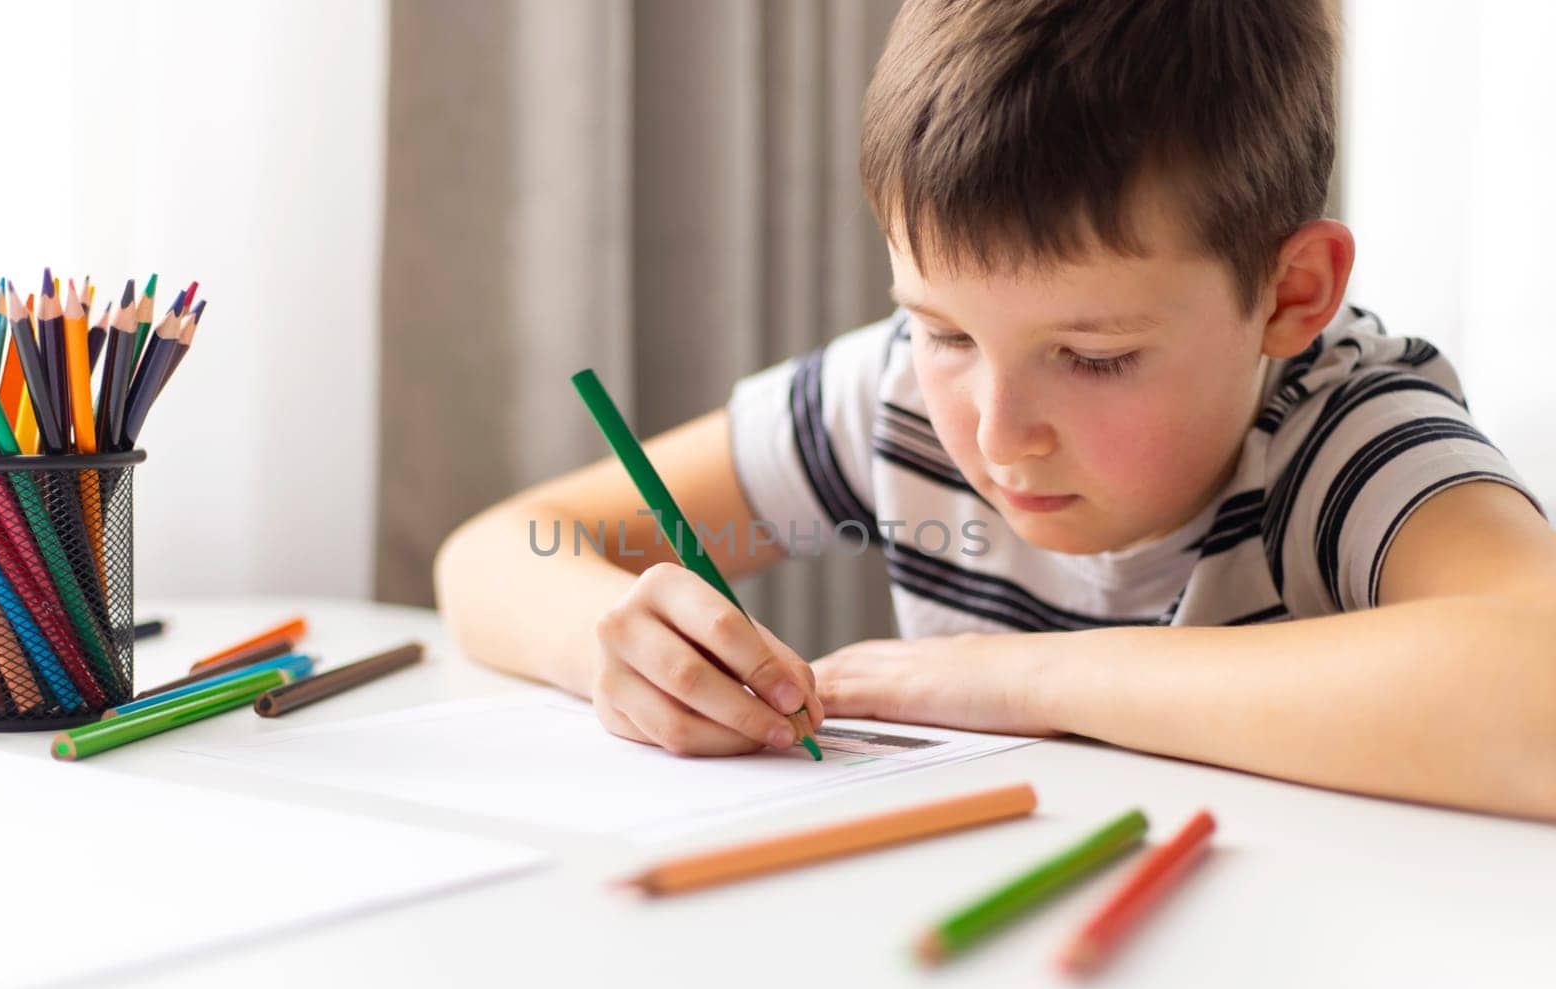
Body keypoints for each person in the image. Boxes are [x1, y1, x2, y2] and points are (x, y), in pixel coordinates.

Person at [437, 0, 1556, 820]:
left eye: (1094, 354)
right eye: (946, 329)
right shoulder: (896, 397)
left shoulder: (1342, 439)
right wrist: (616, 651)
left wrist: (1034, 680)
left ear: (1290, 292)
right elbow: (498, 550)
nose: (992, 427)